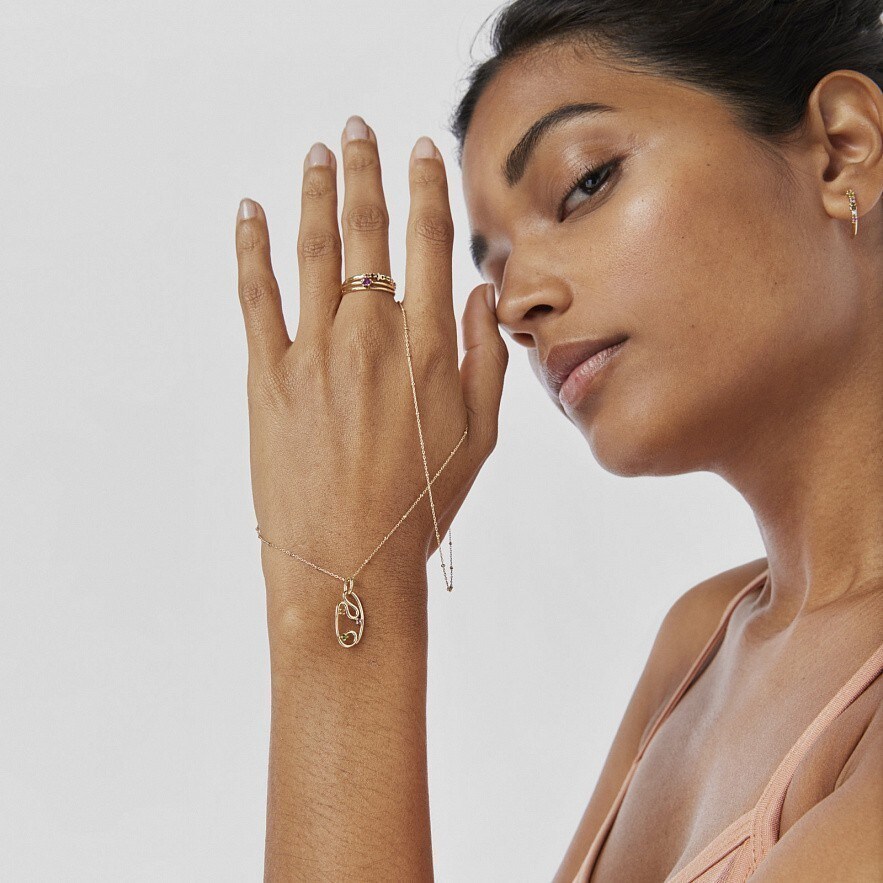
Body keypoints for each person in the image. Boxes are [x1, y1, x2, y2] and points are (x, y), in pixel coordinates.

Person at [233, 0, 883, 879]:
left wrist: (343, 593)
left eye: (584, 184)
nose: (514, 304)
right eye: (495, 263)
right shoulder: (701, 645)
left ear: (841, 149)